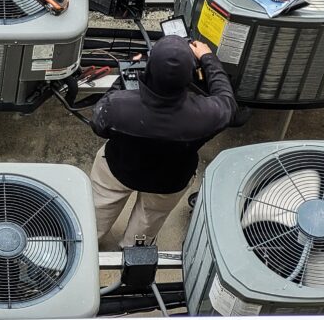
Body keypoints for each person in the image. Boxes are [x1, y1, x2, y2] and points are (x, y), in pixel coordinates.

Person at [89, 36, 236, 248]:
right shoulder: (207, 114)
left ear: (148, 70)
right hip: (170, 179)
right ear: (191, 77)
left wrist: (128, 74)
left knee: (98, 208)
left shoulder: (117, 106)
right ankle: (133, 254)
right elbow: (228, 101)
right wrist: (208, 58)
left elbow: (98, 125)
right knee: (149, 219)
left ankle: (88, 239)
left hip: (118, 167)